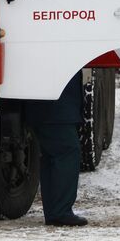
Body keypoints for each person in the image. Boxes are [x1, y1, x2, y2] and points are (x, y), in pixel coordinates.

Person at [24, 73, 87, 227]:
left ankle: (54, 212)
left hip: (43, 107)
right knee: (67, 152)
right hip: (56, 109)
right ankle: (61, 212)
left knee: (50, 157)